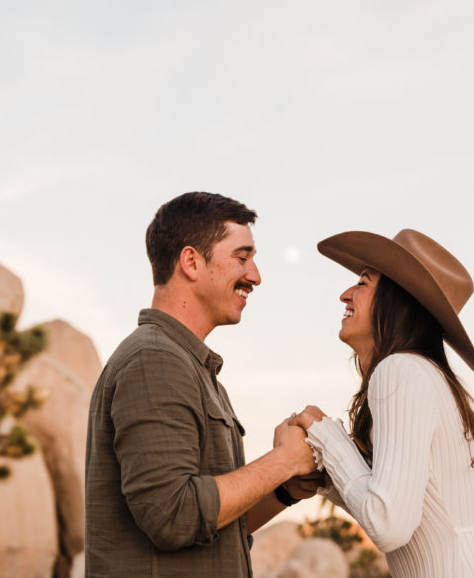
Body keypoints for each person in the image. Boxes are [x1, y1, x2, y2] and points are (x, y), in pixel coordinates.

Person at [85, 192, 318, 577]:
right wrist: (284, 460)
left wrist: (285, 489)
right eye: (242, 258)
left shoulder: (189, 367)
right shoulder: (155, 361)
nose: (255, 275)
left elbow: (210, 527)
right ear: (191, 261)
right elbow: (173, 515)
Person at [292, 229, 474, 577]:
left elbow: (389, 524)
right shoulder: (419, 373)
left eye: (363, 284)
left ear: (397, 300)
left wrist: (323, 433)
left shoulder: (400, 370)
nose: (345, 294)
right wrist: (326, 477)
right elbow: (408, 514)